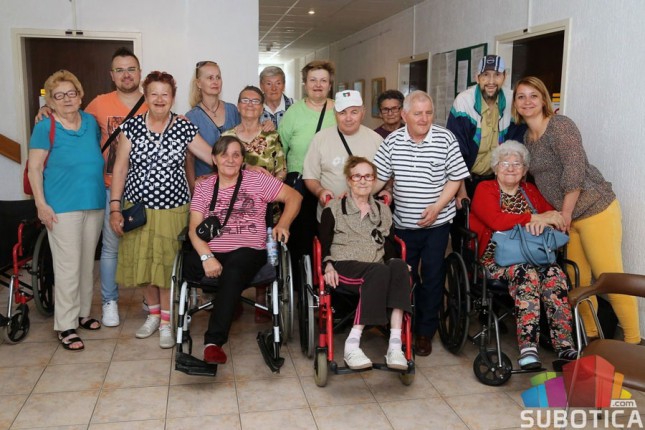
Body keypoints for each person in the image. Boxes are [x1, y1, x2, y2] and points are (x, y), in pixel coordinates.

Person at [512, 76, 642, 345]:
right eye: (521, 96)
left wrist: (565, 213)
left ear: (544, 99)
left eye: (533, 96)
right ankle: (592, 340)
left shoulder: (560, 125)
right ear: (515, 103)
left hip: (595, 210)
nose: (527, 102)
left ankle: (634, 343)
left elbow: (575, 170)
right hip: (568, 218)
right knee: (578, 279)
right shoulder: (528, 137)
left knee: (610, 279)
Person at [34, 47, 147, 327]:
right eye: (119, 70)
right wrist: (46, 109)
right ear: (111, 75)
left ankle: (140, 303)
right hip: (98, 193)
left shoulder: (149, 103)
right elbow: (37, 163)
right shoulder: (95, 106)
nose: (126, 75)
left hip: (124, 194)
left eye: (131, 69)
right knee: (101, 253)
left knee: (122, 254)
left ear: (139, 73)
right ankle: (99, 307)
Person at [109, 71, 215, 349]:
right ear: (146, 96)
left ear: (172, 97)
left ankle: (168, 322)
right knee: (144, 265)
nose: (159, 99)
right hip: (137, 210)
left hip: (173, 211)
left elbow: (211, 155)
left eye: (164, 94)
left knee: (166, 267)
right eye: (154, 93)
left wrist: (241, 163)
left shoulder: (183, 127)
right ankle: (153, 316)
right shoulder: (131, 127)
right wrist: (115, 207)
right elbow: (120, 168)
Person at [186, 136, 302, 364]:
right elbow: (194, 230)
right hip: (212, 251)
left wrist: (283, 224)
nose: (230, 160)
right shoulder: (204, 187)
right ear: (214, 159)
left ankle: (213, 343)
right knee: (192, 266)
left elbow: (294, 197)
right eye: (224, 155)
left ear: (242, 160)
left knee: (233, 270)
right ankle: (227, 305)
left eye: (236, 155)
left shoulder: (257, 180)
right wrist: (207, 257)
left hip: (248, 250)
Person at [372, 90, 469, 356]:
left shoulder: (446, 138)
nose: (424, 119)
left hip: (438, 224)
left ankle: (425, 332)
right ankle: (404, 327)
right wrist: (359, 193)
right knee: (405, 277)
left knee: (433, 276)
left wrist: (437, 208)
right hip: (404, 224)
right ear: (404, 116)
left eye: (428, 113)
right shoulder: (392, 141)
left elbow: (455, 178)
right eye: (418, 114)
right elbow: (379, 178)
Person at [469, 142, 577, 369]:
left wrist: (546, 221)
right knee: (526, 274)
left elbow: (555, 218)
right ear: (495, 168)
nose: (510, 168)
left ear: (525, 169)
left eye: (517, 164)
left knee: (555, 274)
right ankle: (528, 349)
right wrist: (533, 218)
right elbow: (496, 221)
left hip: (534, 257)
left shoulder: (530, 191)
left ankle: (565, 346)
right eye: (504, 163)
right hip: (495, 261)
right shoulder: (485, 189)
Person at [28, 70, 105, 351]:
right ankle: (65, 325)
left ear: (80, 95)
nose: (66, 99)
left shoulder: (90, 122)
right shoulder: (45, 126)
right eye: (58, 96)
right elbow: (35, 168)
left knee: (86, 264)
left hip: (93, 202)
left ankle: (82, 313)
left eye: (71, 93)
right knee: (67, 266)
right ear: (50, 101)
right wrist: (41, 204)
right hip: (61, 207)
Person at [319, 156, 411, 370]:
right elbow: (323, 242)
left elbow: (388, 245)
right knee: (379, 271)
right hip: (344, 265)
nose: (363, 181)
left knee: (398, 267)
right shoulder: (334, 208)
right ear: (349, 180)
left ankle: (395, 346)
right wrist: (328, 265)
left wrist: (397, 264)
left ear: (374, 180)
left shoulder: (383, 210)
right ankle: (352, 345)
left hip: (376, 269)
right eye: (357, 176)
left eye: (368, 176)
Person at [446, 55, 525, 252]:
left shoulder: (512, 101)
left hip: (496, 180)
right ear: (477, 77)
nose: (491, 81)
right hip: (466, 179)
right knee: (464, 233)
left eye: (496, 75)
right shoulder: (463, 102)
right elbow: (456, 152)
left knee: (491, 232)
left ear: (504, 76)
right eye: (485, 75)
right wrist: (461, 191)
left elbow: (517, 145)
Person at [221, 85, 286, 322]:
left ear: (262, 108)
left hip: (266, 208)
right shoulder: (227, 136)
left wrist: (268, 192)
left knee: (265, 253)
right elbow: (219, 169)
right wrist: (247, 168)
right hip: (233, 210)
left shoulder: (271, 136)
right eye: (245, 100)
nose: (250, 105)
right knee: (233, 252)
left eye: (255, 101)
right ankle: (234, 297)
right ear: (238, 106)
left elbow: (281, 170)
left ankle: (261, 299)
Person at [278, 60, 336, 265]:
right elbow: (281, 149)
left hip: (332, 181)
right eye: (313, 80)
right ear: (305, 84)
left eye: (323, 80)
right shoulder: (293, 113)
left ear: (330, 85)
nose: (318, 85)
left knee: (330, 234)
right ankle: (302, 278)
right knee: (301, 236)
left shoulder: (340, 111)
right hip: (300, 184)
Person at [303, 90, 383, 220]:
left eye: (354, 112)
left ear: (363, 112)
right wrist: (320, 191)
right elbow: (310, 176)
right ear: (335, 114)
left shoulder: (377, 140)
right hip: (330, 216)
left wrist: (387, 190)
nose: (348, 118)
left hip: (367, 218)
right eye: (342, 113)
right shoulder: (320, 139)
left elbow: (385, 176)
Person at [185, 61, 240, 190]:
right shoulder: (192, 117)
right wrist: (193, 187)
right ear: (199, 83)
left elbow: (245, 140)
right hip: (205, 185)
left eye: (218, 77)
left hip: (233, 183)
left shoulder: (232, 110)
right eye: (210, 78)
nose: (215, 82)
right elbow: (189, 158)